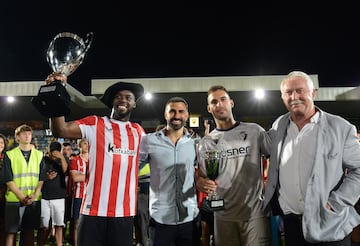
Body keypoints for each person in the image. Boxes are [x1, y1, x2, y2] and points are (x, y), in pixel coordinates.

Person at [44, 72, 145, 246]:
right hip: (92, 211)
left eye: (128, 97)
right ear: (112, 101)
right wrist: (55, 93)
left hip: (124, 213)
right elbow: (60, 130)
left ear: (134, 103)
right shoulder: (95, 123)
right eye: (118, 97)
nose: (123, 100)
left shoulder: (138, 131)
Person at [263, 71, 360, 245]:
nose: (294, 97)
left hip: (330, 225)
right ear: (282, 97)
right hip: (292, 227)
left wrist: (335, 204)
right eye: (288, 92)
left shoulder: (340, 127)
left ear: (313, 93)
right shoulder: (279, 125)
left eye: (300, 90)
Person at [196, 85, 272, 246]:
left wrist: (270, 184)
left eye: (223, 99)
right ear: (209, 108)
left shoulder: (254, 131)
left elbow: (275, 158)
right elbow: (203, 176)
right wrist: (200, 182)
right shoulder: (206, 143)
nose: (219, 104)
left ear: (231, 103)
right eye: (214, 102)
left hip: (254, 214)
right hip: (223, 215)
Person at [139, 97, 200, 246]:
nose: (177, 115)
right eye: (172, 111)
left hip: (190, 219)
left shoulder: (196, 143)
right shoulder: (148, 141)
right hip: (160, 220)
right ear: (166, 114)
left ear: (186, 115)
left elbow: (203, 173)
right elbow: (132, 169)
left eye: (181, 112)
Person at [2, 124, 46, 246]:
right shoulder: (10, 155)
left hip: (33, 199)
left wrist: (35, 194)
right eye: (24, 133)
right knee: (11, 232)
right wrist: (21, 196)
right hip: (14, 199)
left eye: (29, 133)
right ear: (17, 137)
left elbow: (41, 178)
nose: (27, 135)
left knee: (29, 232)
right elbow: (8, 178)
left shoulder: (39, 154)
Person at [37, 141, 68, 246]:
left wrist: (62, 158)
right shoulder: (43, 160)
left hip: (59, 197)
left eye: (55, 151)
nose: (53, 153)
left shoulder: (63, 160)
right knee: (44, 226)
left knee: (59, 225)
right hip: (44, 197)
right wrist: (47, 177)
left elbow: (66, 172)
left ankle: (59, 244)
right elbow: (38, 176)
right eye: (52, 150)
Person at [69, 139, 89, 246]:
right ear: (79, 145)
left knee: (92, 223)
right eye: (85, 143)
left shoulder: (96, 160)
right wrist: (93, 176)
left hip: (93, 196)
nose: (87, 145)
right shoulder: (75, 160)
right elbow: (76, 177)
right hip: (79, 195)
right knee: (77, 223)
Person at [0, 134, 8, 246]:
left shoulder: (7, 158)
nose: (0, 145)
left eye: (1, 143)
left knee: (3, 225)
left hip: (4, 195)